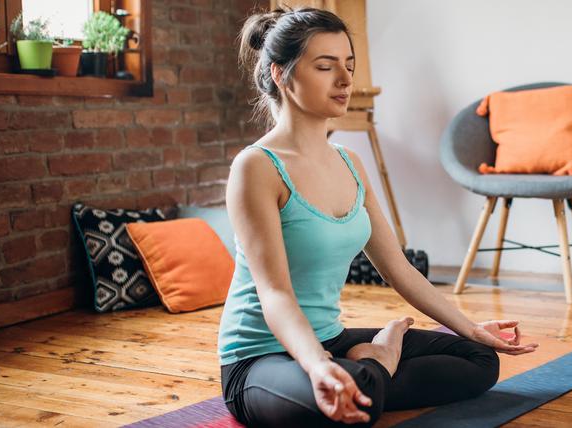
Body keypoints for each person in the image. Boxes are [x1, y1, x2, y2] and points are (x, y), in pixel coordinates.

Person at [219, 7, 538, 427]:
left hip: (329, 340)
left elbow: (398, 268)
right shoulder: (256, 167)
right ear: (281, 74)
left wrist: (472, 328)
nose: (345, 80)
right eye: (325, 66)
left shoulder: (349, 162)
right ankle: (375, 364)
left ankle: (364, 372)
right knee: (356, 396)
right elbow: (275, 295)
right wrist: (318, 367)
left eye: (349, 65)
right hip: (260, 359)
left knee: (479, 359)